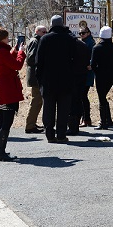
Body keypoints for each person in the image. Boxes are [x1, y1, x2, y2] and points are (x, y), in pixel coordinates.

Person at [0, 27, 26, 161]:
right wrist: (21, 53)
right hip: (7, 88)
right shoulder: (2, 51)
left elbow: (6, 63)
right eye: (7, 37)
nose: (8, 39)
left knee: (0, 120)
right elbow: (17, 65)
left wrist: (13, 52)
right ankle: (0, 153)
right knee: (6, 121)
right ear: (2, 38)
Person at [36, 15, 77, 143]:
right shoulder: (70, 39)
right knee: (63, 109)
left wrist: (39, 79)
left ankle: (49, 134)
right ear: (62, 24)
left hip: (48, 80)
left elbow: (39, 62)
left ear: (51, 25)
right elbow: (75, 60)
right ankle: (61, 134)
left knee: (48, 108)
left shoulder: (45, 39)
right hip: (66, 79)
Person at [91, 26, 113, 129]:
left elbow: (93, 64)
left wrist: (97, 72)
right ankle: (109, 120)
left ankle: (103, 122)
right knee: (103, 97)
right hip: (111, 74)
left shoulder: (97, 48)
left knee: (101, 98)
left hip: (100, 75)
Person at [24, 25, 47, 134]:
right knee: (36, 100)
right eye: (43, 31)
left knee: (38, 101)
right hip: (35, 75)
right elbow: (31, 58)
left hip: (35, 75)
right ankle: (30, 125)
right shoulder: (35, 41)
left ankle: (32, 123)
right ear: (37, 31)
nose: (45, 33)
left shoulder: (37, 40)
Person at [68, 36, 91, 135]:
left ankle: (71, 125)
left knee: (71, 102)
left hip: (71, 76)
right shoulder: (84, 45)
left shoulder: (68, 46)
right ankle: (76, 124)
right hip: (82, 76)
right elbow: (88, 62)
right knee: (78, 100)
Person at [78, 27, 95, 127]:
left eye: (83, 33)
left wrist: (90, 64)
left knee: (83, 96)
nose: (81, 35)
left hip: (87, 73)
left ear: (88, 33)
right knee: (82, 96)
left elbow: (93, 56)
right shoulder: (83, 42)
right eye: (80, 33)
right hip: (82, 72)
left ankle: (86, 119)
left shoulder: (90, 43)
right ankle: (84, 118)